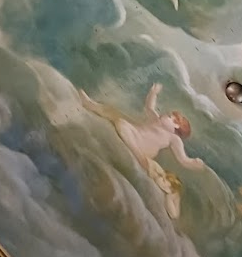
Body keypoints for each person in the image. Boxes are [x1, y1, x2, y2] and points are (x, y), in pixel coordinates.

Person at [80, 82, 202, 216]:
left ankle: (137, 153)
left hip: (143, 149)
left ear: (176, 127)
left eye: (170, 117)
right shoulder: (155, 119)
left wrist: (193, 163)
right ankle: (90, 104)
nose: (166, 114)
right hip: (135, 135)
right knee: (120, 120)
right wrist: (153, 93)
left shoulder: (173, 139)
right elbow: (149, 107)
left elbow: (183, 159)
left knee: (121, 124)